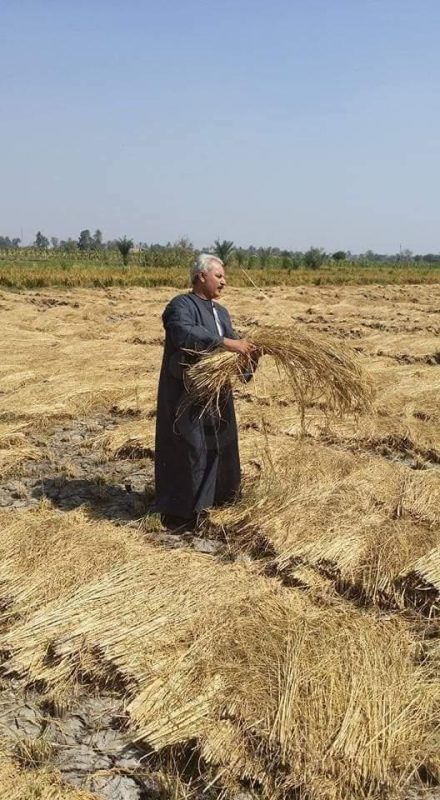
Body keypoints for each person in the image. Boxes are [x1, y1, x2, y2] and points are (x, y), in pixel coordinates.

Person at [154, 253, 256, 529]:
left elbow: (233, 343)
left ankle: (217, 501)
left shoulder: (221, 312)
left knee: (220, 445)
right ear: (201, 276)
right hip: (186, 394)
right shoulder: (181, 305)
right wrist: (225, 343)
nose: (224, 282)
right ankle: (181, 512)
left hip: (217, 394)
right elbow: (183, 334)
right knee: (191, 448)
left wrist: (250, 351)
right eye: (219, 276)